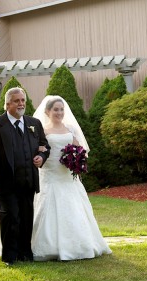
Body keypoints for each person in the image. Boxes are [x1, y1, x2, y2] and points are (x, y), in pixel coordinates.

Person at [31, 95, 112, 261]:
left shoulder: (70, 129)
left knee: (74, 207)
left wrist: (77, 159)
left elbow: (80, 149)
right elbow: (39, 151)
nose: (59, 112)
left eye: (61, 109)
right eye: (56, 110)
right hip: (50, 174)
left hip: (67, 176)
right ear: (47, 112)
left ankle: (80, 244)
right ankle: (49, 247)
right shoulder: (43, 131)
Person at [0, 87, 50, 266]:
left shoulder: (34, 123)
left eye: (23, 100)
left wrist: (41, 157)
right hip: (5, 182)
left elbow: (45, 145)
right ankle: (10, 256)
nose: (21, 104)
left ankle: (25, 253)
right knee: (10, 217)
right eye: (17, 101)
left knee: (27, 218)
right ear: (7, 104)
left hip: (28, 180)